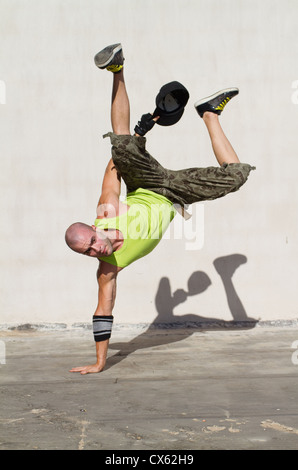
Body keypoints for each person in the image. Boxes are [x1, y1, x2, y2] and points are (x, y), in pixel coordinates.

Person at [65, 43, 255, 374]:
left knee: (120, 144)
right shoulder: (108, 269)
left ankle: (117, 68)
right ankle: (210, 111)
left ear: (94, 229)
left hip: (149, 182)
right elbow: (103, 310)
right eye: (87, 252)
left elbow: (114, 171)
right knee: (236, 177)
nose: (94, 251)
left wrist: (136, 137)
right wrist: (99, 362)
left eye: (91, 242)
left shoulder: (107, 211)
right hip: (174, 194)